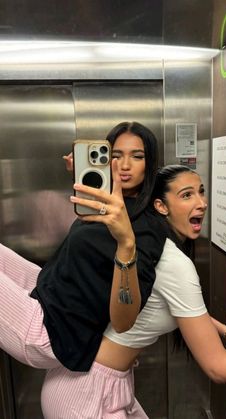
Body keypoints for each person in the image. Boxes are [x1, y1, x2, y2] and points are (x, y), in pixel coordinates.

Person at [38, 164, 226, 418]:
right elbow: (218, 367)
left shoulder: (150, 245)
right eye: (187, 195)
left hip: (95, 380)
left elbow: (188, 313)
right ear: (160, 206)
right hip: (86, 392)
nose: (202, 203)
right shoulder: (173, 263)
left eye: (201, 191)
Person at [0, 121, 163, 417]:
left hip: (47, 330)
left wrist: (126, 243)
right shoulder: (109, 202)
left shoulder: (146, 227)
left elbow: (124, 319)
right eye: (115, 154)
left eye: (137, 156)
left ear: (150, 164)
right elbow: (89, 247)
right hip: (47, 293)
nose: (124, 165)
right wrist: (85, 175)